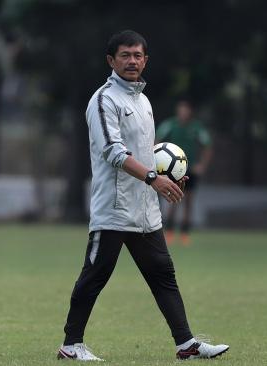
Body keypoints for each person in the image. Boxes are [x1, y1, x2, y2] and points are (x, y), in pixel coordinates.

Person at [57, 30, 229, 361]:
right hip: (115, 207)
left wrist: (168, 174)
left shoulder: (143, 100)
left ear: (146, 60)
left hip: (145, 210)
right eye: (125, 55)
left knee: (163, 275)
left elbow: (144, 151)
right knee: (95, 276)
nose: (132, 61)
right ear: (111, 60)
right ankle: (71, 345)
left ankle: (186, 344)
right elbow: (113, 152)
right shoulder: (104, 99)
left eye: (138, 55)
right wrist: (153, 177)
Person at [156, 100, 212, 245]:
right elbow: (156, 139)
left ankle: (185, 233)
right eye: (181, 110)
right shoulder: (170, 124)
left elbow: (207, 145)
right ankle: (168, 231)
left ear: (189, 111)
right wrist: (157, 162)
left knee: (188, 201)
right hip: (174, 170)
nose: (183, 113)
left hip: (191, 169)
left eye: (185, 110)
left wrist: (202, 166)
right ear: (177, 111)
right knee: (173, 200)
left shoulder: (196, 127)